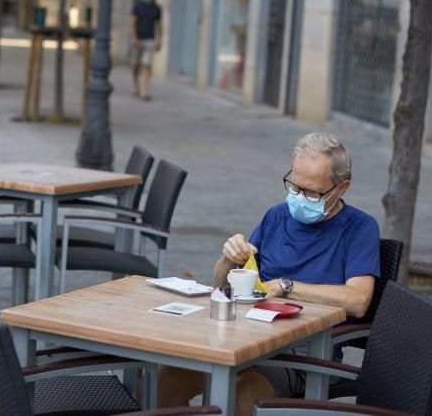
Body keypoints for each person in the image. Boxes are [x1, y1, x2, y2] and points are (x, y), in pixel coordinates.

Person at [158, 133, 381, 416]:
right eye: (293, 185)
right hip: (247, 337)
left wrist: (286, 286)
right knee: (163, 381)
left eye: (311, 192)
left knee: (241, 394)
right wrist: (228, 259)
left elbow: (359, 300)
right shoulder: (276, 216)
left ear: (342, 188)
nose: (299, 197)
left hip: (303, 353)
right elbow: (222, 289)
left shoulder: (359, 228)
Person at [130, 0, 161, 101]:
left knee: (146, 64)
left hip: (150, 39)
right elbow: (132, 22)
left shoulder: (156, 8)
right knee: (135, 65)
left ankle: (144, 90)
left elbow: (159, 25)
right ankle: (135, 84)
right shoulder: (138, 6)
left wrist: (159, 40)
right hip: (138, 39)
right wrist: (134, 38)